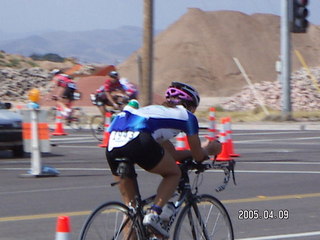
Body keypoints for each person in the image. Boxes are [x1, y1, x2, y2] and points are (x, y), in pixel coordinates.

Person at [105, 81, 222, 238]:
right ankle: (154, 213)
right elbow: (199, 156)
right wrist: (210, 149)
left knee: (132, 208)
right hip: (138, 138)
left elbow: (172, 154)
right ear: (191, 106)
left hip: (113, 143)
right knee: (174, 173)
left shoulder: (155, 112)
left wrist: (190, 153)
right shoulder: (188, 116)